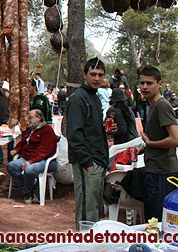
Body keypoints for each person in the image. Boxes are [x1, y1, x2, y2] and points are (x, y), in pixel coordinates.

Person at [66, 57, 108, 227]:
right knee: (87, 213)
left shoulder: (95, 98)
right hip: (87, 162)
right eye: (93, 74)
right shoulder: (78, 99)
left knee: (95, 210)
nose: (97, 78)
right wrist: (87, 162)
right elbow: (75, 134)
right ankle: (84, 245)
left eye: (100, 75)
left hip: (99, 159)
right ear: (85, 74)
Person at [139, 65, 178, 221]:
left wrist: (151, 144)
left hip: (163, 173)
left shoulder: (162, 106)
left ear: (160, 84)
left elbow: (176, 139)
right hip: (155, 170)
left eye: (149, 83)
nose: (144, 87)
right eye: (142, 83)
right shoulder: (152, 106)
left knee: (158, 222)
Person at [6, 109, 58, 204]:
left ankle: (27, 192)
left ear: (38, 118)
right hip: (27, 157)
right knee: (11, 166)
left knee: (29, 170)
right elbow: (23, 141)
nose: (28, 120)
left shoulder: (47, 131)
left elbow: (44, 151)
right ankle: (31, 188)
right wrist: (16, 150)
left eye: (30, 118)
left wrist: (30, 161)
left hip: (43, 160)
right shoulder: (30, 129)